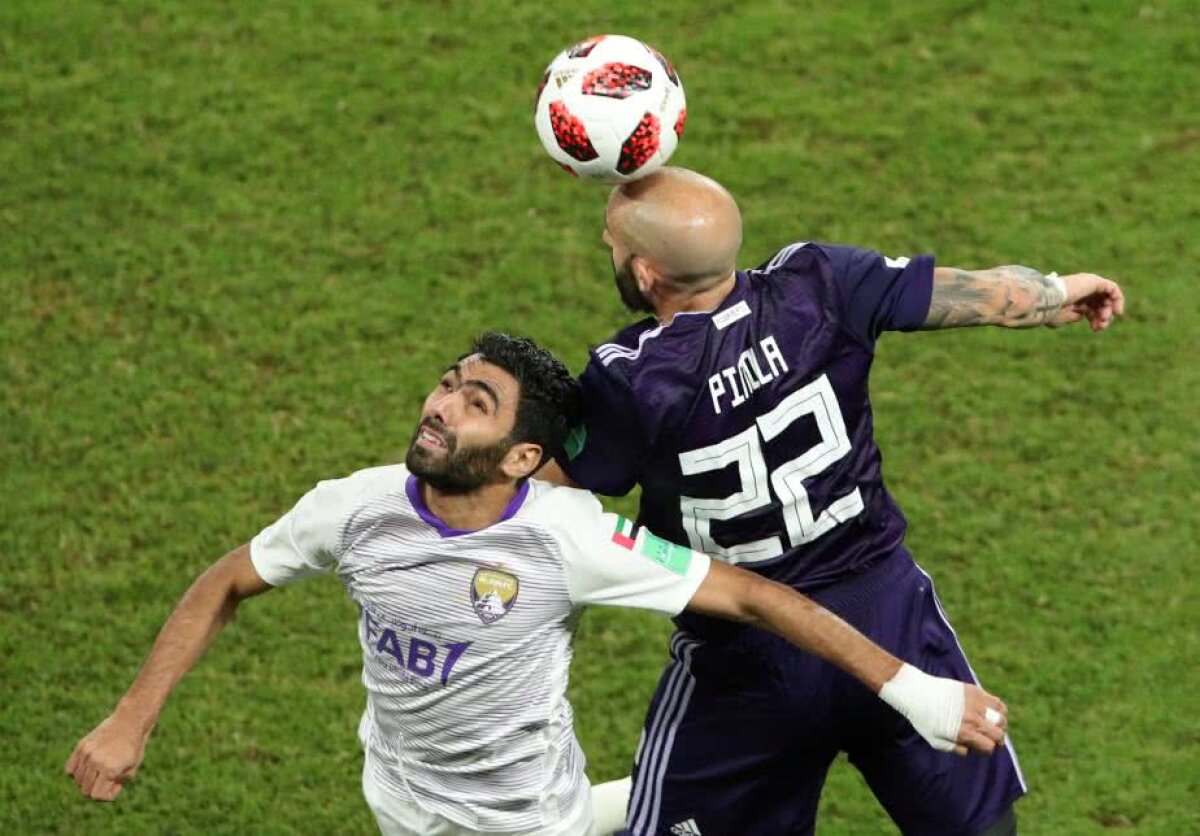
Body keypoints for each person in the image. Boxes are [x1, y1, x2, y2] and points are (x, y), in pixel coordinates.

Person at [65, 333, 1009, 836]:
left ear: (523, 456)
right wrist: (129, 720)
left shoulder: (571, 536)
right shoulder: (352, 507)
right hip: (399, 801)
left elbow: (754, 595)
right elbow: (227, 581)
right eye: (447, 384)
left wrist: (912, 690)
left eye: (474, 403)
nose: (440, 407)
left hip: (528, 822)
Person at [543, 168, 1125, 835]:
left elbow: (543, 487)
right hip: (888, 613)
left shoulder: (632, 377)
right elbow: (985, 295)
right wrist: (1059, 293)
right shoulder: (819, 281)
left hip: (747, 653)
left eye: (614, 244)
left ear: (646, 274)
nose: (609, 249)